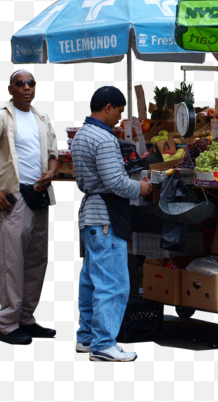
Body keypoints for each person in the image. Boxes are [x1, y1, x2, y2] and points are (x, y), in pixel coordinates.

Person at [0, 69, 59, 345]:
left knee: (36, 261)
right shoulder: (0, 119)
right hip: (12, 199)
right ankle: (8, 323)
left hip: (39, 196)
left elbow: (53, 156)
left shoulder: (42, 119)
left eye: (31, 83)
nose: (27, 87)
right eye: (21, 84)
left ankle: (26, 318)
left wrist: (51, 173)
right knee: (11, 262)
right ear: (11, 90)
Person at [71, 86, 153, 362]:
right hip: (105, 218)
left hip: (90, 217)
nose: (119, 117)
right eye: (118, 111)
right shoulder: (103, 138)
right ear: (107, 107)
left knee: (92, 282)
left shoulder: (83, 133)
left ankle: (86, 337)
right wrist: (140, 188)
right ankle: (104, 344)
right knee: (114, 283)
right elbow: (116, 182)